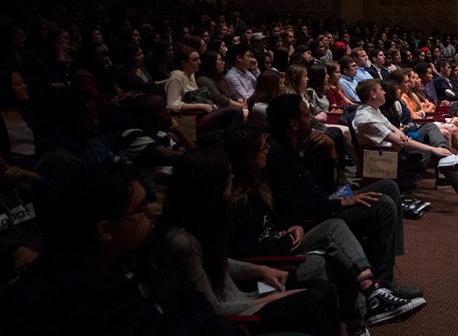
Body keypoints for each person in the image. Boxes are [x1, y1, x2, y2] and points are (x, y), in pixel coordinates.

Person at [0, 162, 236, 335]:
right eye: (142, 207)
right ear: (105, 230)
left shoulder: (145, 252)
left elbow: (197, 308)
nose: (153, 211)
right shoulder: (42, 302)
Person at [223, 125, 425, 333]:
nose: (267, 151)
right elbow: (248, 253)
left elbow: (289, 213)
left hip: (291, 243)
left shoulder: (262, 184)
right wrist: (285, 238)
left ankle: (371, 300)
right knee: (339, 250)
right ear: (250, 158)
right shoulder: (238, 203)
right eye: (262, 148)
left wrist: (291, 227)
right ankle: (369, 301)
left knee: (349, 243)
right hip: (270, 275)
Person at [159, 147, 342, 335]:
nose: (232, 178)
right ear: (211, 185)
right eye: (228, 175)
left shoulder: (203, 221)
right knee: (313, 300)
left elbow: (217, 263)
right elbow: (212, 310)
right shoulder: (183, 242)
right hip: (237, 313)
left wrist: (260, 270)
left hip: (245, 295)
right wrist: (270, 300)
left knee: (324, 288)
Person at [263, 94, 417, 288]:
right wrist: (343, 202)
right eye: (306, 115)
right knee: (382, 204)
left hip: (326, 203)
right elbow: (294, 207)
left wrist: (330, 152)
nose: (311, 119)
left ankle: (387, 262)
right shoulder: (277, 156)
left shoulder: (304, 146)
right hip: (315, 220)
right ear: (294, 124)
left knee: (388, 187)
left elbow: (329, 187)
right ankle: (382, 282)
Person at [352, 79, 458, 206]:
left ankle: (449, 161)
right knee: (440, 153)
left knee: (430, 127)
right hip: (389, 159)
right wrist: (433, 150)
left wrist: (403, 137)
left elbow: (396, 131)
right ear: (373, 95)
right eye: (380, 90)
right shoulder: (367, 118)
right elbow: (399, 141)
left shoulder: (372, 110)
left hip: (396, 150)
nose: (384, 92)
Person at [0, 129, 43, 300]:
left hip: (44, 256)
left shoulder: (15, 184)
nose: (2, 163)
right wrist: (14, 249)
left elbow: (59, 205)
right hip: (7, 275)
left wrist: (36, 180)